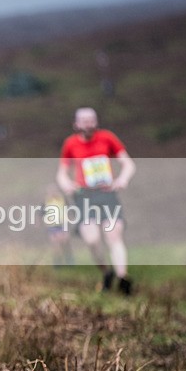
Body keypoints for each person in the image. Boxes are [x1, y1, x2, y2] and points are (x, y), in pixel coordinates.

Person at [56, 107, 136, 295]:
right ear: (76, 124)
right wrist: (67, 184)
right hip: (84, 196)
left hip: (107, 194)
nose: (88, 124)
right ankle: (106, 272)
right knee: (92, 239)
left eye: (91, 120)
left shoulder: (107, 138)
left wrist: (122, 179)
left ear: (96, 121)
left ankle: (122, 277)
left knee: (113, 235)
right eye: (84, 120)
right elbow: (61, 173)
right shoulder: (70, 144)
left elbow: (128, 163)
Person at [42, 183, 74, 266]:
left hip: (63, 224)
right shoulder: (46, 201)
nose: (52, 192)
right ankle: (57, 262)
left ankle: (69, 260)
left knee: (66, 242)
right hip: (52, 226)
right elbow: (41, 213)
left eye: (54, 190)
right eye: (50, 191)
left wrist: (71, 218)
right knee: (56, 245)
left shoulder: (62, 199)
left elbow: (69, 209)